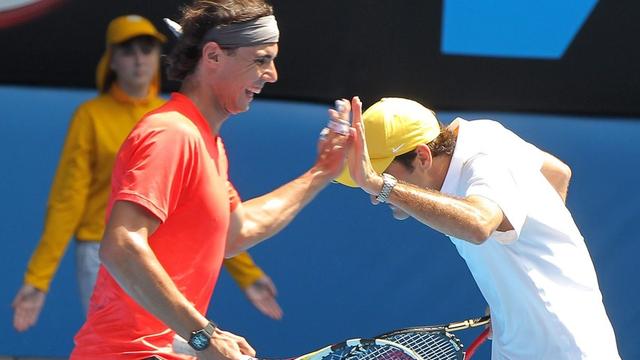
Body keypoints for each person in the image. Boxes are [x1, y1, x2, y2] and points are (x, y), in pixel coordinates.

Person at [70, 1, 349, 359]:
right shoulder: (172, 133)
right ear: (213, 56)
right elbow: (121, 245)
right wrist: (204, 335)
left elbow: (236, 231)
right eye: (261, 59)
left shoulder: (206, 141)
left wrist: (321, 171)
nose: (272, 73)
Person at [12, 14, 283, 334]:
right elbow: (67, 201)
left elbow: (209, 211)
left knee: (177, 344)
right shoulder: (93, 117)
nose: (139, 59)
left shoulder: (183, 120)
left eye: (147, 49)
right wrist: (38, 279)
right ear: (112, 60)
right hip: (107, 255)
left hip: (170, 253)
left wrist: (246, 274)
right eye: (128, 50)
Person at [336, 97, 620, 359]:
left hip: (564, 348)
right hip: (519, 346)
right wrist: (516, 289)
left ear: (423, 156)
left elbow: (479, 224)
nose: (375, 198)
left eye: (384, 173)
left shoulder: (484, 162)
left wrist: (384, 187)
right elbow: (557, 173)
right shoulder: (480, 133)